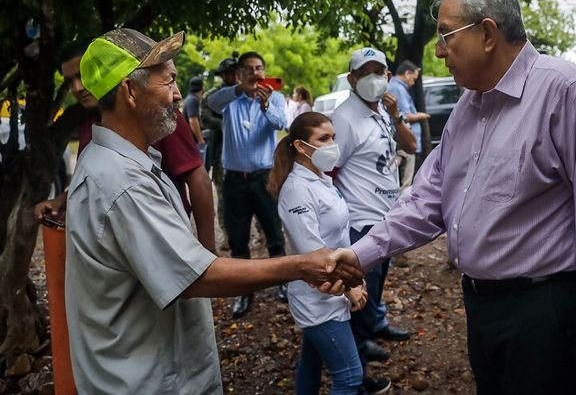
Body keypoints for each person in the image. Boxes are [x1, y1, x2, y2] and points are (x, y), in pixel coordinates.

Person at [331, 0, 576, 394]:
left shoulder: (567, 93)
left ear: (488, 32)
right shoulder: (468, 107)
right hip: (482, 306)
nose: (439, 52)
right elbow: (427, 200)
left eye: (446, 36)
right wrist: (360, 254)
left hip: (545, 311)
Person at [65, 28, 358, 394]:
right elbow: (195, 277)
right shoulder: (122, 183)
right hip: (147, 382)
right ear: (129, 90)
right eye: (169, 81)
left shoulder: (129, 162)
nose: (177, 95)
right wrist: (301, 265)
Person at [35, 40, 216, 254]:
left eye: (84, 75)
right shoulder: (88, 120)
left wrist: (208, 251)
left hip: (162, 241)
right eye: (70, 81)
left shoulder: (158, 115)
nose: (78, 87)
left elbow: (198, 178)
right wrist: (64, 200)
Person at [268, 112, 369, 395]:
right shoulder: (297, 190)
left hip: (331, 293)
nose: (332, 144)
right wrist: (350, 289)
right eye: (323, 139)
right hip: (319, 298)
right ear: (301, 146)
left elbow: (337, 236)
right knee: (349, 376)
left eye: (333, 137)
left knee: (311, 363)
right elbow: (313, 252)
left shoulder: (321, 178)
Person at [330, 47, 416, 374]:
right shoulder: (345, 118)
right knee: (361, 290)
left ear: (388, 77)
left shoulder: (382, 111)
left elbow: (410, 146)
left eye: (378, 71)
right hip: (360, 220)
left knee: (376, 286)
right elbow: (329, 171)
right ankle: (357, 359)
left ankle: (372, 329)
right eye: (364, 72)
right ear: (352, 79)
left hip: (385, 215)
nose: (372, 78)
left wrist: (395, 116)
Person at [207, 51, 288, 318]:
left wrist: (265, 106)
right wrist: (239, 89)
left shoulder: (274, 98)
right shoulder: (230, 99)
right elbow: (212, 102)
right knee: (238, 239)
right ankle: (244, 291)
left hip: (264, 178)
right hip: (234, 181)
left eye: (260, 68)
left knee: (274, 234)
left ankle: (283, 283)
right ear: (240, 74)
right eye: (250, 69)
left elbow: (280, 123)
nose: (256, 73)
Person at [200, 57, 239, 250]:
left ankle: (257, 234)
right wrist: (229, 124)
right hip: (221, 151)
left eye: (235, 71)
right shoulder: (213, 95)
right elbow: (205, 119)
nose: (232, 76)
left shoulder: (247, 92)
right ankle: (227, 234)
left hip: (245, 154)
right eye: (229, 72)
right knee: (224, 194)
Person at [388, 60, 430, 189]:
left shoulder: (397, 87)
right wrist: (421, 116)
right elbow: (405, 115)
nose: (413, 83)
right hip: (406, 141)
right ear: (407, 74)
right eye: (413, 79)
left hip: (407, 141)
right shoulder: (398, 88)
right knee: (406, 183)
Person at [183, 76, 206, 161]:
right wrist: (200, 140)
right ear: (202, 87)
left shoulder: (191, 98)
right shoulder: (193, 100)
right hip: (191, 140)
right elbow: (193, 120)